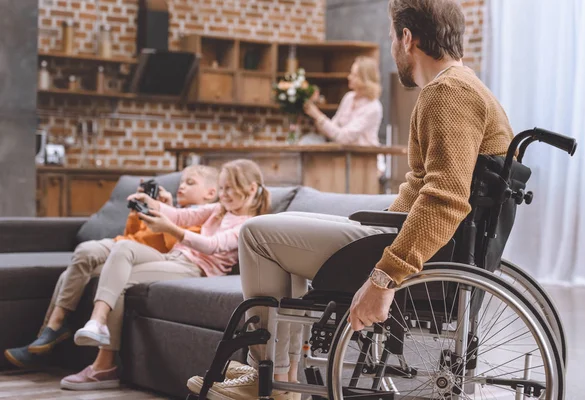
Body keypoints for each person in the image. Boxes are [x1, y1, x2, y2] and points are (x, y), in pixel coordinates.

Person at [187, 0, 516, 398]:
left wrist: (383, 277)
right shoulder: (464, 88)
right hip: (404, 237)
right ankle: (278, 372)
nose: (392, 44)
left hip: (410, 253)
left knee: (256, 234)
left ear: (407, 38)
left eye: (393, 35)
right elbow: (431, 191)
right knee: (286, 228)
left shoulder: (448, 93)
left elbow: (444, 198)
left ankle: (268, 377)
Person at [50, 159, 271, 390]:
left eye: (229, 188)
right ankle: (96, 322)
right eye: (222, 188)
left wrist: (171, 230)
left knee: (121, 278)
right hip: (173, 258)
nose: (223, 194)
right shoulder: (218, 209)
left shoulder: (249, 225)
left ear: (251, 189)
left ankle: (104, 364)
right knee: (122, 249)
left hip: (194, 269)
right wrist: (152, 204)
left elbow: (212, 245)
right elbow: (180, 216)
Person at [4, 164, 218, 369]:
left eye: (190, 183)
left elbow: (171, 246)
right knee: (71, 272)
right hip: (124, 247)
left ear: (210, 193)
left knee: (87, 252)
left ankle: (53, 329)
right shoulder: (175, 209)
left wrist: (167, 213)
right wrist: (139, 211)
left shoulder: (200, 217)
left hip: (143, 256)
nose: (182, 186)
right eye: (182, 182)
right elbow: (131, 234)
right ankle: (46, 338)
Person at [303, 56, 383, 147]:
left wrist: (318, 115)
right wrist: (314, 111)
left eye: (354, 75)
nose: (349, 77)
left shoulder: (373, 107)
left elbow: (343, 137)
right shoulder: (349, 98)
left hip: (365, 158)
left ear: (365, 79)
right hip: (344, 157)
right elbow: (332, 130)